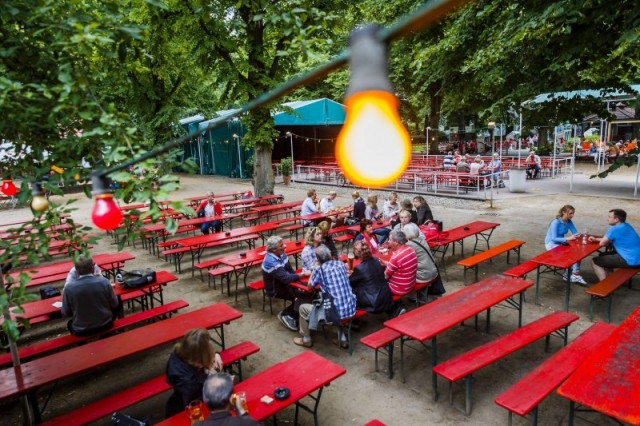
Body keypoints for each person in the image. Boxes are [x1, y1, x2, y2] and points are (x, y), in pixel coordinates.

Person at [295, 245, 356, 348]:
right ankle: (342, 339)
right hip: (351, 309)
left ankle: (306, 339)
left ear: (318, 259)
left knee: (303, 308)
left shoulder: (320, 270)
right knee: (336, 300)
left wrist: (315, 268)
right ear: (330, 255)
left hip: (336, 313)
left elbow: (310, 287)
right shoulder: (340, 264)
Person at [165, 328, 224, 419]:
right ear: (198, 359)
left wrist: (216, 355)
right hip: (185, 413)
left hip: (178, 400)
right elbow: (199, 405)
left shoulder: (182, 353)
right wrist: (216, 383)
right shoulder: (189, 384)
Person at [61, 255, 120, 336]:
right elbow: (115, 304)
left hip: (81, 330)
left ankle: (81, 345)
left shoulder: (69, 288)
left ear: (77, 271)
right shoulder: (104, 282)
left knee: (70, 324)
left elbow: (65, 313)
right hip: (105, 324)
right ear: (92, 268)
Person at [261, 236, 311, 331]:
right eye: (281, 246)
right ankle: (287, 315)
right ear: (273, 249)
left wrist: (299, 284)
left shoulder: (282, 254)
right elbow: (286, 278)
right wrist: (303, 274)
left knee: (308, 291)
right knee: (302, 295)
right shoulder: (270, 261)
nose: (284, 246)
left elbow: (290, 271)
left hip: (285, 284)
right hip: (275, 289)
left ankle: (296, 313)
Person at [590, 209, 640, 280]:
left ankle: (605, 284)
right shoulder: (626, 225)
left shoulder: (614, 229)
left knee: (594, 261)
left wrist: (599, 240)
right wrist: (595, 239)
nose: (608, 219)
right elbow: (609, 239)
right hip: (637, 258)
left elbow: (602, 243)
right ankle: (610, 279)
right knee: (603, 256)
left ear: (616, 219)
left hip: (631, 260)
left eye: (610, 217)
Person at [544, 204, 587, 285]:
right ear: (564, 212)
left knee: (578, 253)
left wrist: (581, 234)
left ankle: (574, 274)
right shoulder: (556, 222)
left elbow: (575, 232)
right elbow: (553, 238)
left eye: (573, 213)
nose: (572, 215)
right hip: (551, 244)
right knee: (569, 255)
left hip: (561, 242)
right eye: (570, 213)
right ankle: (568, 275)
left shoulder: (569, 221)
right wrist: (568, 238)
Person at [349, 240, 394, 314]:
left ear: (357, 253)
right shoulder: (376, 260)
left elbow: (350, 282)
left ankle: (354, 321)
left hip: (374, 301)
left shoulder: (360, 268)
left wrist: (350, 273)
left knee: (352, 289)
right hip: (386, 294)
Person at [403, 223, 438, 303]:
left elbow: (403, 261)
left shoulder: (409, 245)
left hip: (424, 275)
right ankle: (421, 295)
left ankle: (414, 296)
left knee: (403, 272)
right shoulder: (422, 240)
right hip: (433, 271)